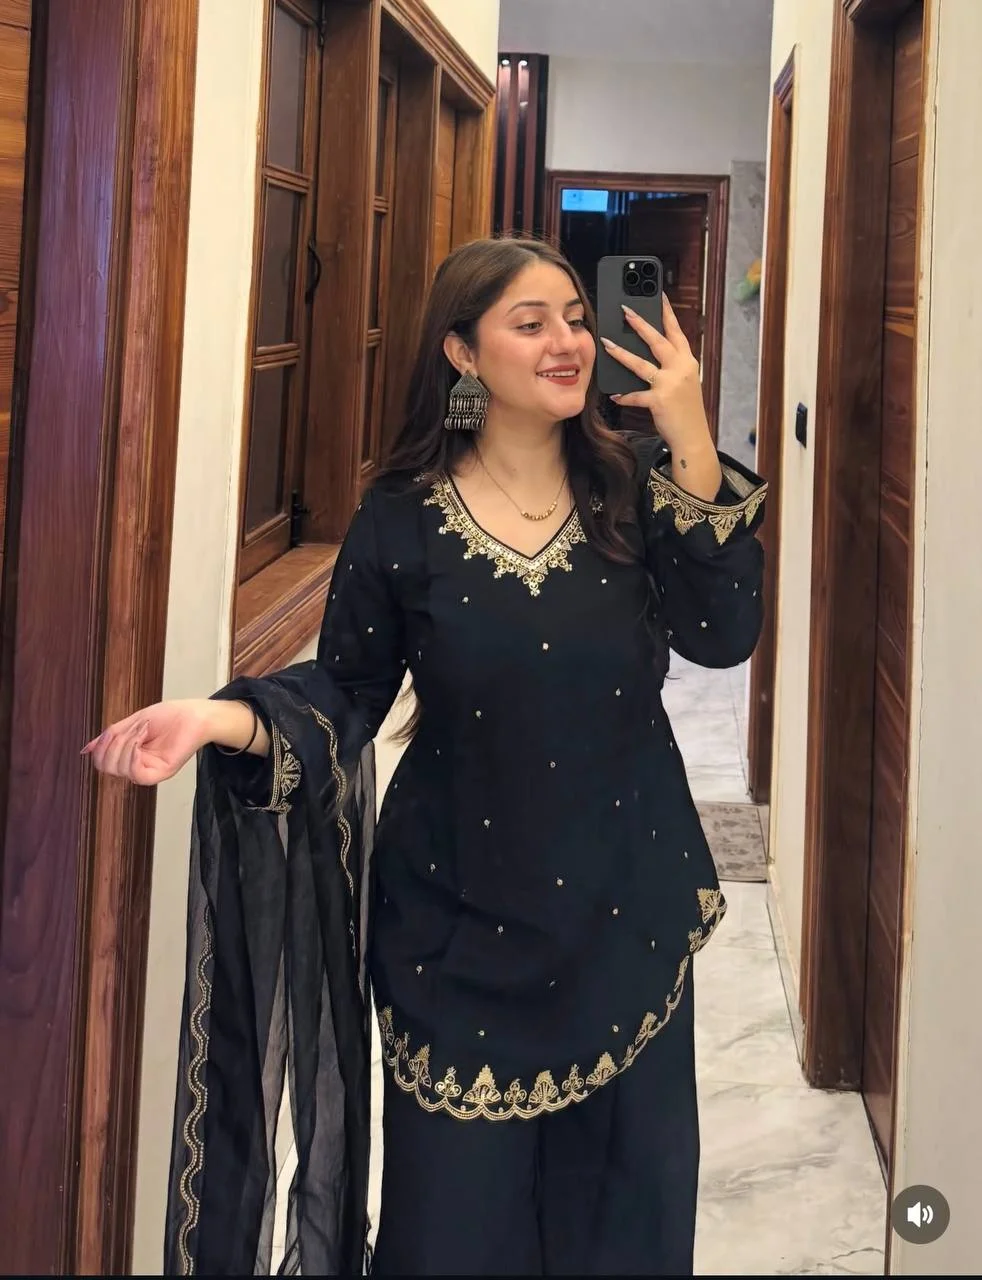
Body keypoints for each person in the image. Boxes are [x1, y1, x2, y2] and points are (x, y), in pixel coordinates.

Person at [86, 236, 767, 1277]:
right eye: (529, 323)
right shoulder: (403, 516)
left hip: (624, 913)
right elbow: (351, 689)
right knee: (452, 1228)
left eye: (576, 319)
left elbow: (722, 637)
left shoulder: (632, 486)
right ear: (461, 351)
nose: (567, 342)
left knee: (622, 1223)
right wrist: (220, 720)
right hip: (457, 925)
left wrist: (692, 446)